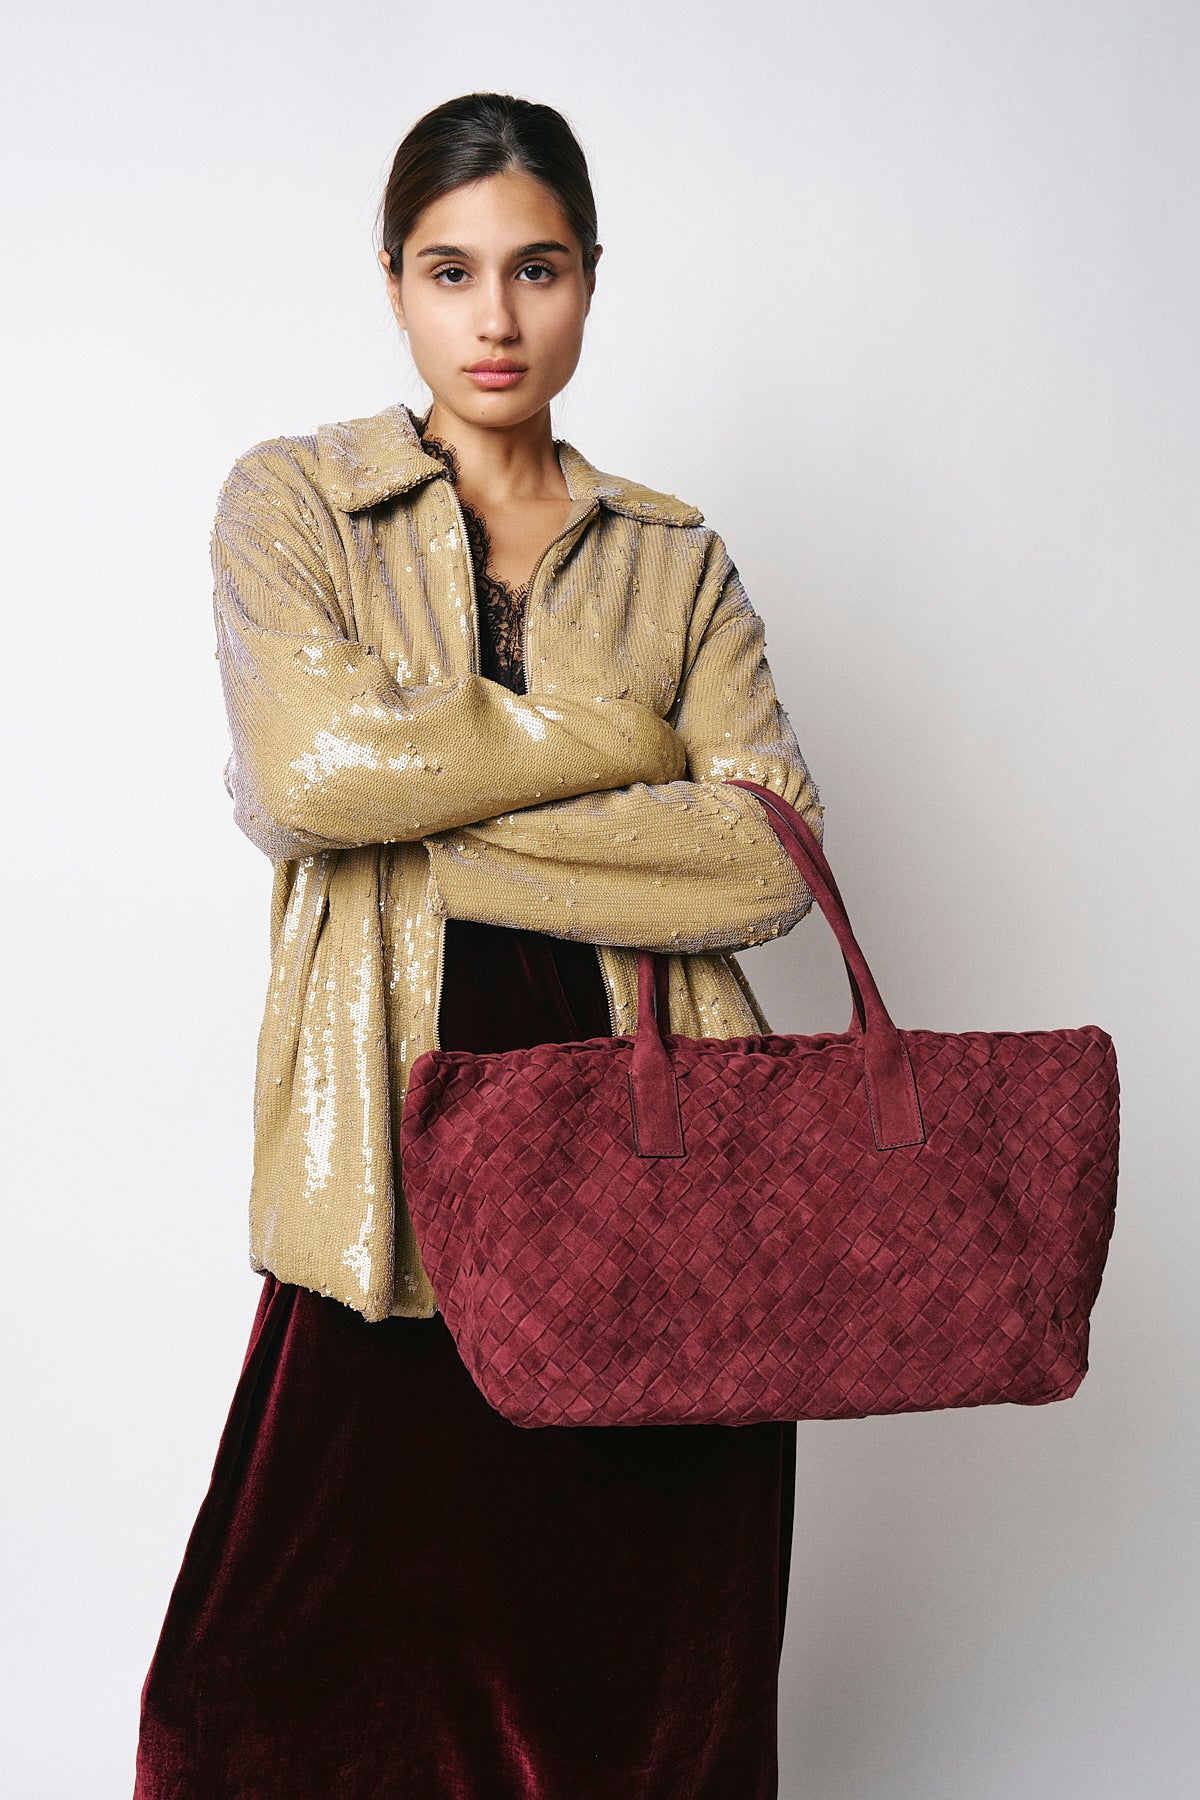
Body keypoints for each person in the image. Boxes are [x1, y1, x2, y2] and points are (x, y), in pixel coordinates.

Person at [132, 90, 825, 1800]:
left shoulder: (674, 559)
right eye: (450, 272)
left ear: (591, 277)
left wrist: (425, 808)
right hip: (394, 1148)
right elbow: (311, 773)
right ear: (392, 281)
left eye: (537, 269)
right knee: (253, 1685)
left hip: (659, 1151)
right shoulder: (297, 504)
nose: (495, 318)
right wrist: (620, 746)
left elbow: (765, 857)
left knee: (636, 1683)